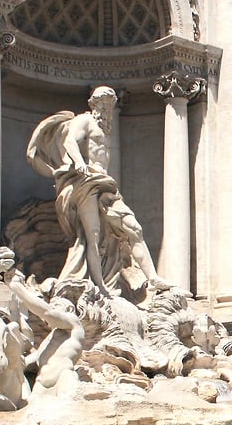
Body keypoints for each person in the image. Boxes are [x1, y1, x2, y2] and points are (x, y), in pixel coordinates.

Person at [27, 86, 171, 296]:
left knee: (134, 228)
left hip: (105, 184)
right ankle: (99, 287)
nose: (106, 108)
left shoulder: (105, 129)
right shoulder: (84, 120)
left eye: (110, 104)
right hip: (86, 181)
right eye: (102, 104)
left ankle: (152, 277)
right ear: (93, 104)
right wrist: (79, 162)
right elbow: (69, 141)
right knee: (92, 236)